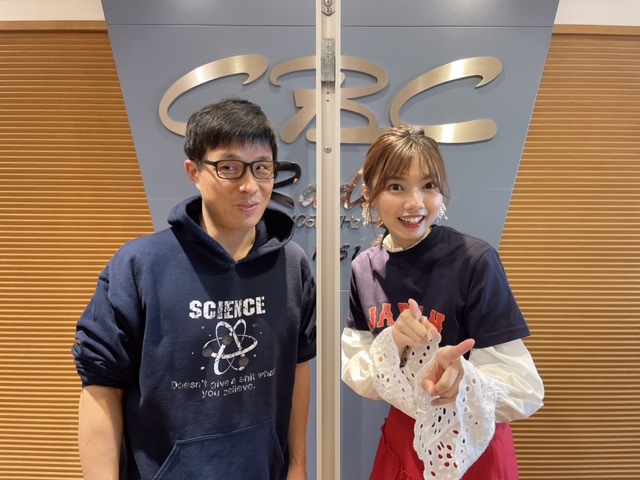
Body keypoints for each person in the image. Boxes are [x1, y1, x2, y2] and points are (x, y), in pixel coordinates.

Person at [72, 98, 316, 480]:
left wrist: (298, 465)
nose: (250, 186)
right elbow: (101, 387)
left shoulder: (292, 265)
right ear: (194, 171)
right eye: (229, 168)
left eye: (262, 168)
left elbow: (298, 366)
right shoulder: (140, 266)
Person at [341, 126, 544, 480]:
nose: (415, 203)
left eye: (428, 185)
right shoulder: (364, 269)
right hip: (402, 442)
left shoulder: (474, 261)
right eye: (396, 187)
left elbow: (524, 387)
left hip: (471, 445)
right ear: (370, 194)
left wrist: (463, 383)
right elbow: (356, 365)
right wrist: (392, 344)